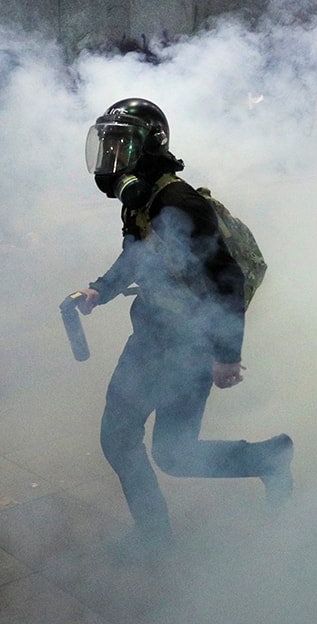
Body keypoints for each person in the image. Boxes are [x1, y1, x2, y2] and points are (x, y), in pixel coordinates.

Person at [73, 98, 294, 552]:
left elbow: (227, 277)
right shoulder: (145, 201)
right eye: (107, 147)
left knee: (128, 441)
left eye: (122, 148)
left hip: (186, 346)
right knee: (172, 452)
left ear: (149, 148)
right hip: (155, 338)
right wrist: (101, 289)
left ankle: (154, 540)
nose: (111, 162)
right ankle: (269, 459)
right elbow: (138, 254)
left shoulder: (179, 202)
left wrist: (227, 356)